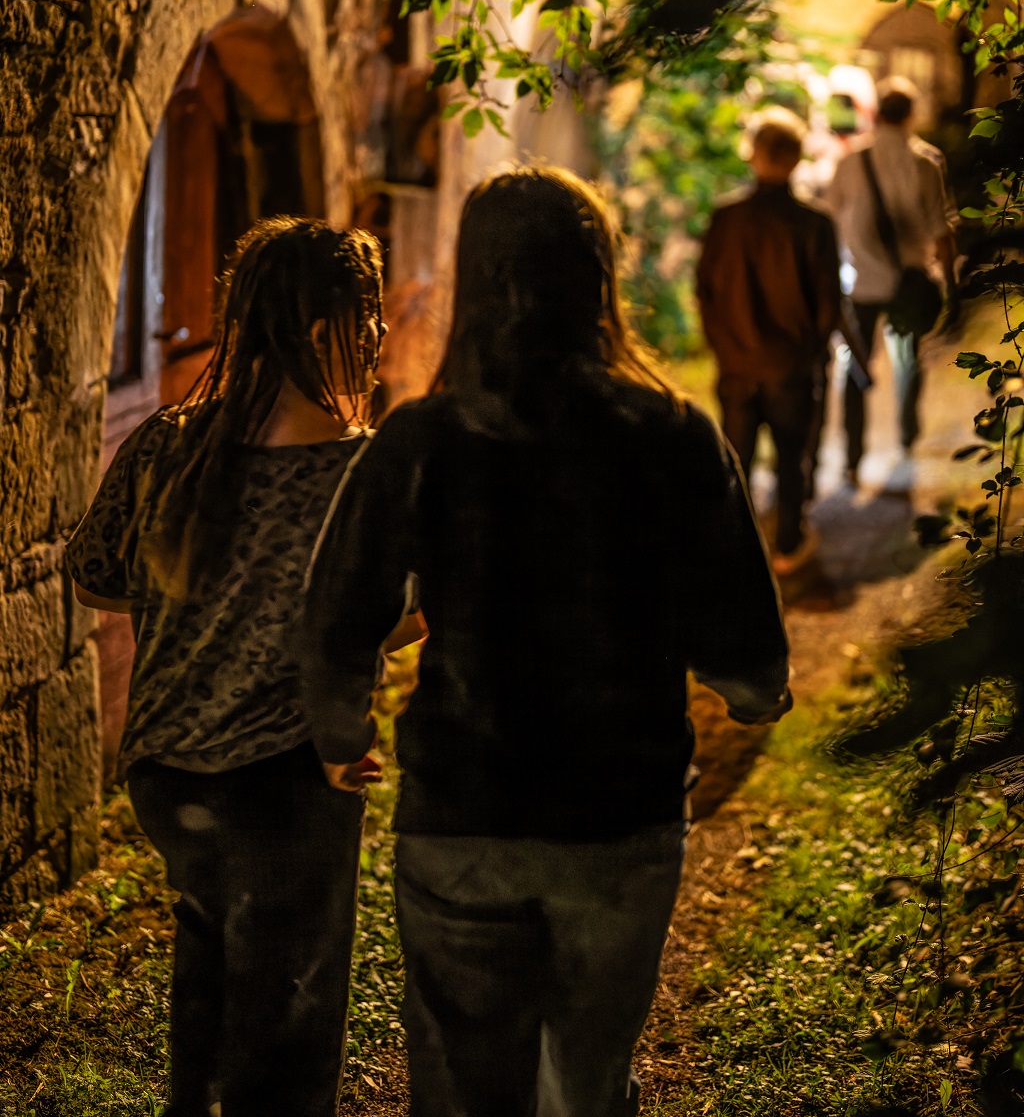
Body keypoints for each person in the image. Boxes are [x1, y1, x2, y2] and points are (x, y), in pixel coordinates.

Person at [302, 165, 791, 1117]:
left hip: (463, 810)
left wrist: (339, 735)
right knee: (586, 1080)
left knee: (460, 1085)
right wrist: (754, 691)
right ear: (598, 276)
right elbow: (743, 643)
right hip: (620, 818)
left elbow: (336, 613)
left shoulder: (421, 437)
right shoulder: (675, 433)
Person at [66, 217, 415, 1117]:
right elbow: (388, 618)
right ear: (324, 330)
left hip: (166, 773)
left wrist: (200, 605)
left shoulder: (165, 441)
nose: (380, 334)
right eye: (369, 316)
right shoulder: (359, 470)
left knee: (210, 955)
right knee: (290, 1017)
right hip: (285, 780)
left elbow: (95, 575)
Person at [696, 107, 842, 574]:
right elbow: (828, 304)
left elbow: (705, 291)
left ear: (753, 155)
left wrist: (723, 347)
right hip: (791, 367)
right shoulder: (815, 223)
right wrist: (810, 354)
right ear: (797, 158)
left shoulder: (726, 218)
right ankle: (787, 544)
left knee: (735, 460)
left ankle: (733, 547)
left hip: (737, 364)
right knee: (791, 459)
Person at [826, 79, 957, 485]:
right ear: (911, 116)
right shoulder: (927, 163)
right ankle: (906, 438)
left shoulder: (851, 163)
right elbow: (942, 234)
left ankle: (852, 459)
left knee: (856, 368)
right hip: (910, 284)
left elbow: (829, 222)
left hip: (862, 283)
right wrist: (952, 288)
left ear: (877, 114)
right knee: (909, 361)